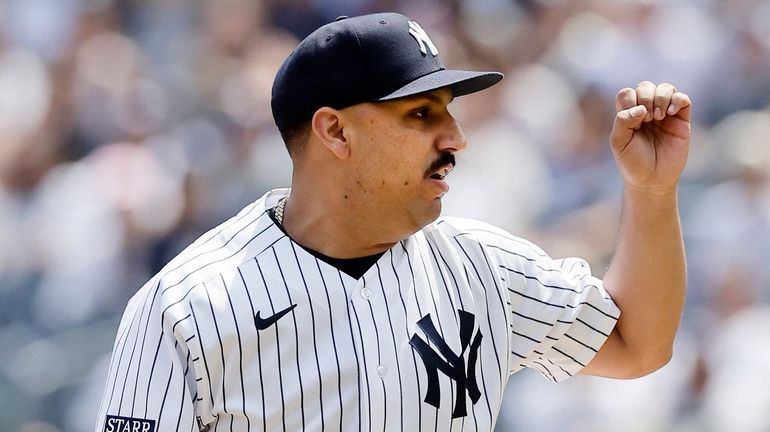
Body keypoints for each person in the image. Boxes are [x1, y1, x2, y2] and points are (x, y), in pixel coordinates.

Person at [95, 12, 690, 432]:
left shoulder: (481, 267)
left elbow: (637, 343)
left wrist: (651, 190)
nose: (454, 137)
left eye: (449, 112)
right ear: (334, 131)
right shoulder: (186, 306)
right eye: (421, 113)